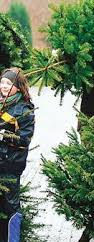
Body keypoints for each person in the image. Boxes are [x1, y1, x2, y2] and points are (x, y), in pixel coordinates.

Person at [0, 67, 35, 242]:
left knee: (11, 207)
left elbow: (24, 140)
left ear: (18, 87)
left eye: (9, 83)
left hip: (10, 167)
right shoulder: (0, 103)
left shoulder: (24, 110)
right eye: (2, 82)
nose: (4, 86)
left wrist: (3, 136)